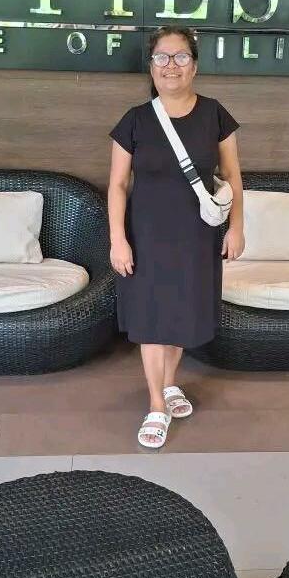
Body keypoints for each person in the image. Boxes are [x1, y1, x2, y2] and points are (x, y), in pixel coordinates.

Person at [107, 26, 244, 449]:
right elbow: (117, 185)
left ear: (194, 66)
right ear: (151, 67)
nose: (171, 65)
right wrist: (117, 239)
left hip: (196, 236)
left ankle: (169, 384)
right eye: (162, 57)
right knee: (152, 319)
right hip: (146, 238)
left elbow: (233, 176)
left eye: (181, 57)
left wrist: (237, 227)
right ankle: (156, 405)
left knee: (180, 316)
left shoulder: (215, 115)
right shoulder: (134, 120)